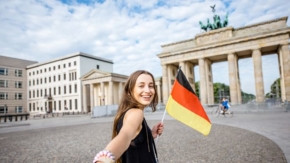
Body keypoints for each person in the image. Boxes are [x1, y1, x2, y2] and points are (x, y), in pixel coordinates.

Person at [93, 70, 164, 163]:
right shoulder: (137, 113)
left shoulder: (126, 112)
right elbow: (124, 136)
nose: (148, 90)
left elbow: (133, 141)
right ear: (130, 91)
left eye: (151, 86)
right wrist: (103, 160)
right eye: (141, 86)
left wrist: (150, 135)